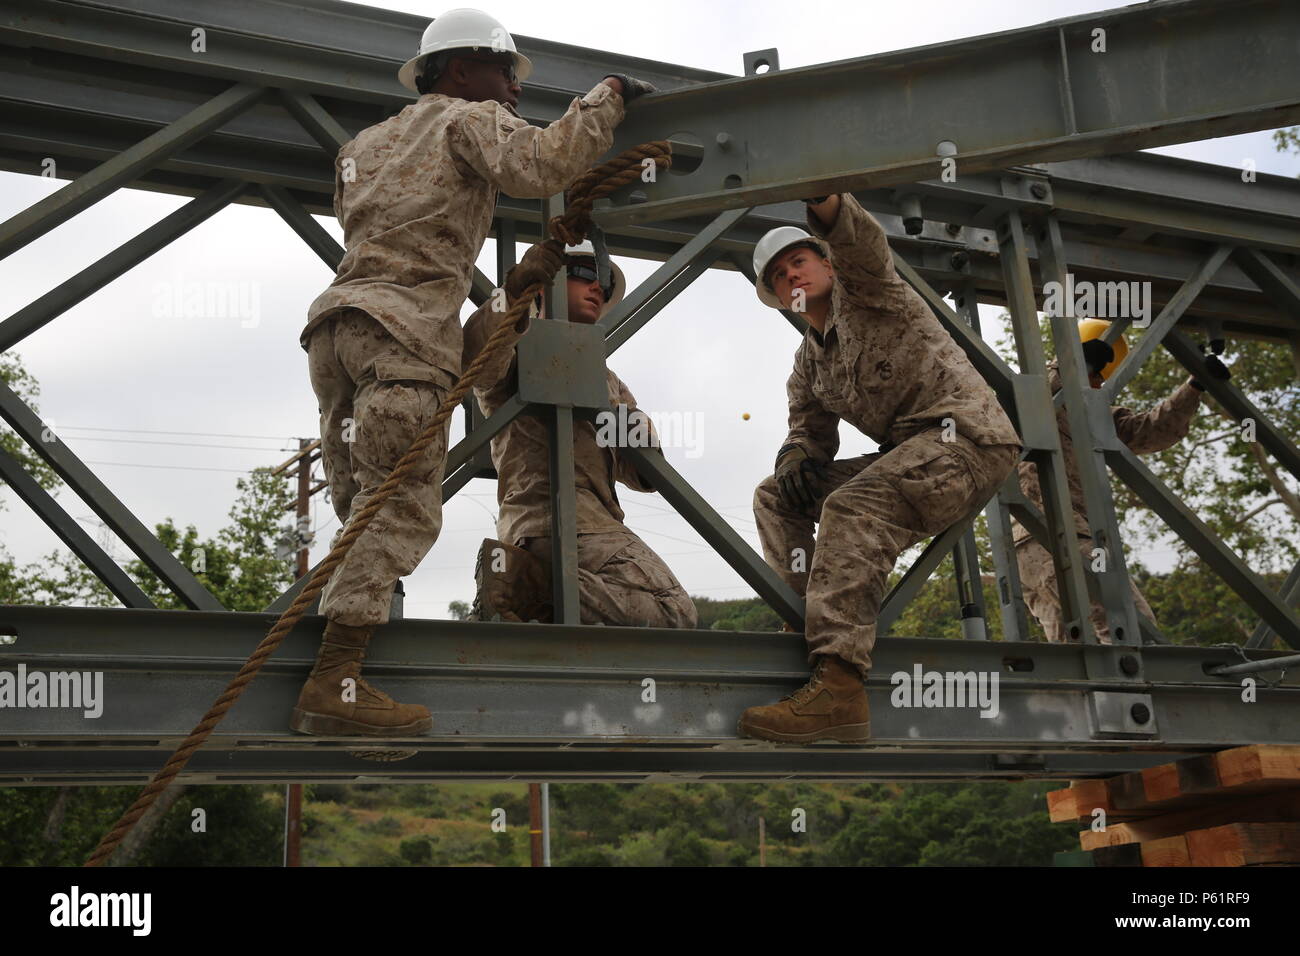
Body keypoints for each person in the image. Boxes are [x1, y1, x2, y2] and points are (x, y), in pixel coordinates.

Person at [293, 7, 655, 736]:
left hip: (336, 335)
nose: (515, 91)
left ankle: (333, 647)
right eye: (506, 72)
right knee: (397, 509)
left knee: (358, 505)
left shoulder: (361, 146)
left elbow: (406, 249)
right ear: (460, 72)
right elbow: (544, 164)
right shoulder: (466, 119)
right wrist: (608, 96)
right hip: (403, 341)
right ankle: (334, 681)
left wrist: (517, 285)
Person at [740, 193, 1022, 743]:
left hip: (966, 442)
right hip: (910, 460)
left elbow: (862, 245)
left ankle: (840, 688)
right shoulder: (809, 366)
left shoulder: (868, 292)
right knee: (775, 494)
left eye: (799, 260)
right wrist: (795, 455)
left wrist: (823, 197)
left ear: (825, 262)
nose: (791, 273)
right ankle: (804, 618)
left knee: (854, 504)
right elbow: (808, 435)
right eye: (778, 274)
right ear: (777, 299)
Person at [460, 242, 697, 628]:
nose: (598, 288)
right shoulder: (517, 346)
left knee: (625, 626)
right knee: (673, 613)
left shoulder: (607, 379)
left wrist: (640, 430)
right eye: (585, 275)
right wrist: (514, 293)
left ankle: (527, 590)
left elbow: (641, 473)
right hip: (556, 523)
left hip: (589, 526)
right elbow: (476, 358)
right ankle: (525, 586)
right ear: (543, 288)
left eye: (603, 280)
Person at [1013, 318, 1222, 643]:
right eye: (1095, 373)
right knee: (1134, 631)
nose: (1097, 384)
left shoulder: (1093, 412)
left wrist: (1193, 388)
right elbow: (1044, 389)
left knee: (1077, 660)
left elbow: (1149, 431)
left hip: (1036, 549)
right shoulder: (1038, 394)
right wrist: (1072, 364)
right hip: (1056, 535)